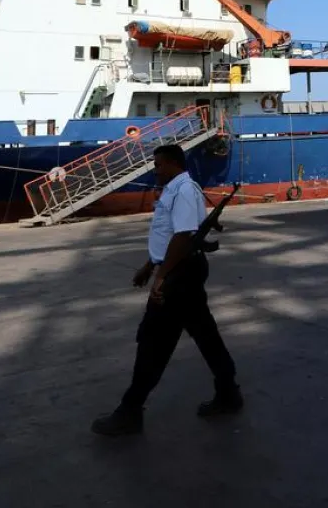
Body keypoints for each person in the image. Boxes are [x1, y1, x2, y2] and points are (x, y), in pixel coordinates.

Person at [92, 143, 242, 436]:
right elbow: (169, 235)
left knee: (153, 341)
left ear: (174, 164)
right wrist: (149, 266)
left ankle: (130, 411)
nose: (155, 170)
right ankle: (229, 392)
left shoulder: (184, 190)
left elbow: (184, 237)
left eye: (159, 165)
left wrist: (161, 277)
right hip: (181, 271)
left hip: (180, 275)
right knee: (205, 335)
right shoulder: (176, 190)